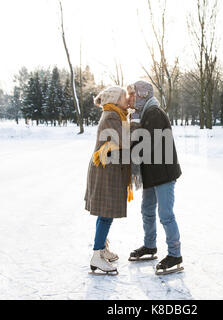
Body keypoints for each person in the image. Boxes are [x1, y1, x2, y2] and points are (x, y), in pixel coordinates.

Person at [127, 80, 184, 276]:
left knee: (166, 214)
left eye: (133, 94)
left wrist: (134, 128)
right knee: (147, 210)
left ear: (143, 94)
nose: (130, 99)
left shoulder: (154, 113)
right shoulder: (143, 114)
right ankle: (150, 246)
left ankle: (175, 254)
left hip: (164, 173)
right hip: (152, 172)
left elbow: (147, 144)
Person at [84, 86, 133, 276]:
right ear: (115, 100)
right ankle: (97, 255)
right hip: (106, 169)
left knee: (106, 213)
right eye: (124, 96)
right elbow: (124, 140)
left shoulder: (115, 114)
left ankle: (101, 248)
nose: (127, 99)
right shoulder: (112, 116)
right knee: (106, 213)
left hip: (108, 168)